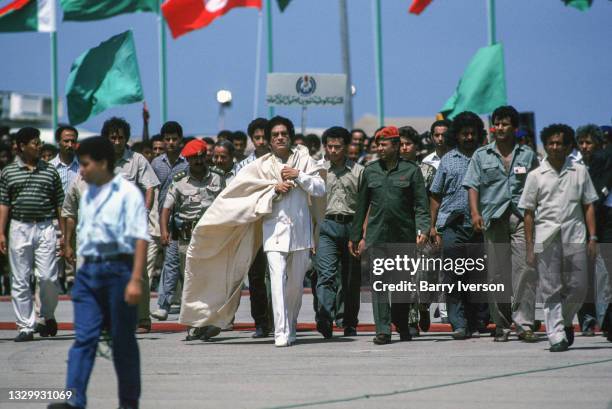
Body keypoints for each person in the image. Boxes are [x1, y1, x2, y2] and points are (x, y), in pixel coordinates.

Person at [178, 116, 326, 348]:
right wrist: (273, 190)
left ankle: (291, 323)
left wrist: (299, 176)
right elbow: (241, 196)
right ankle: (281, 332)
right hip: (273, 233)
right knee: (276, 280)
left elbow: (320, 188)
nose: (279, 137)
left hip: (300, 234)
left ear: (290, 136)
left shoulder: (304, 159)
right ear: (268, 141)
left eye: (283, 134)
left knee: (295, 286)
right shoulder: (259, 167)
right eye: (275, 135)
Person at [48, 136, 149, 409]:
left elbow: (141, 237)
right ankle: (73, 401)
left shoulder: (128, 193)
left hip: (119, 272)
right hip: (88, 272)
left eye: (85, 164)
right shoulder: (87, 191)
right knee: (84, 338)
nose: (80, 170)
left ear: (103, 163)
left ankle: (128, 404)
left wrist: (136, 280)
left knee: (123, 341)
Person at [462, 105, 539, 342]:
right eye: (497, 123)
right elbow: (473, 185)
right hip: (493, 218)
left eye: (505, 124)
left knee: (525, 270)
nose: (500, 128)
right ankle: (502, 326)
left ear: (514, 128)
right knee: (497, 274)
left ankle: (524, 323)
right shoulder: (482, 154)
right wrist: (475, 213)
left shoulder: (527, 155)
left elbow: (538, 187)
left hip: (521, 218)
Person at [519, 124, 598, 352]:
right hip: (546, 236)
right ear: (545, 145)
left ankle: (563, 321)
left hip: (576, 235)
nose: (555, 147)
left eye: (560, 143)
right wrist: (530, 246)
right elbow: (528, 213)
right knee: (550, 288)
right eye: (551, 143)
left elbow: (589, 204)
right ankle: (556, 336)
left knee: (579, 287)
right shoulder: (536, 175)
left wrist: (593, 237)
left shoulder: (579, 171)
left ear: (568, 146)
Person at [349, 126, 430, 345]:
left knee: (402, 286)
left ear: (396, 146)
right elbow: (361, 206)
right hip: (377, 237)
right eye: (378, 145)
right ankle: (383, 330)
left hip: (404, 237)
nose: (380, 149)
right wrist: (355, 236)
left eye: (384, 145)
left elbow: (422, 206)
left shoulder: (411, 171)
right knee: (380, 285)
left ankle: (402, 324)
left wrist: (423, 230)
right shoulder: (370, 171)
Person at [0, 127, 64, 342]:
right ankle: (25, 326)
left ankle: (46, 315)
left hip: (46, 226)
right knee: (19, 279)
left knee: (48, 277)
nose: (38, 146)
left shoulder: (50, 171)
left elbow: (59, 204)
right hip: (19, 227)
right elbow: (4, 204)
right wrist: (1, 232)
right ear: (21, 146)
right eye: (34, 143)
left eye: (39, 142)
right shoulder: (8, 172)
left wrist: (63, 234)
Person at [430, 112, 489, 340]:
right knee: (453, 275)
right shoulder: (448, 160)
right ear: (457, 135)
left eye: (473, 133)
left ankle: (478, 320)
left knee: (477, 276)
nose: (469, 137)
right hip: (452, 226)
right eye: (464, 133)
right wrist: (432, 226)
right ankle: (459, 323)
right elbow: (435, 195)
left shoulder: (485, 157)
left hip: (480, 226)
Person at [161, 139, 223, 340]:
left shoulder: (218, 178)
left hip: (212, 238)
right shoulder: (179, 180)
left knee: (211, 281)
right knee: (191, 282)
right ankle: (194, 325)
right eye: (193, 159)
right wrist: (164, 231)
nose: (198, 161)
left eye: (200, 157)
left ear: (206, 156)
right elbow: (167, 209)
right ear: (187, 160)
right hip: (187, 240)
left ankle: (211, 322)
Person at [314, 126, 364, 338]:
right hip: (327, 227)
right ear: (325, 147)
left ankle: (348, 321)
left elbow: (365, 204)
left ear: (346, 147)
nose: (333, 150)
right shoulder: (318, 172)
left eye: (338, 147)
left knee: (350, 279)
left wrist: (362, 234)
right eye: (330, 146)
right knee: (325, 275)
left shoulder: (359, 172)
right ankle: (325, 316)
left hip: (352, 227)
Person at [233, 118, 274, 338]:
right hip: (252, 227)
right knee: (256, 277)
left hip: (276, 225)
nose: (260, 141)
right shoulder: (242, 166)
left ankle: (279, 321)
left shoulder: (279, 162)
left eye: (263, 137)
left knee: (277, 276)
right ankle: (261, 322)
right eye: (256, 138)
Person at [150, 121, 188, 322]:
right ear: (163, 141)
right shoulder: (156, 164)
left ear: (180, 140)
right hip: (163, 219)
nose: (171, 142)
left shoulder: (187, 163)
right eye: (167, 139)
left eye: (175, 139)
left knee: (186, 264)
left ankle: (186, 303)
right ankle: (163, 305)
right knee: (170, 263)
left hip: (185, 219)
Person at [575, 125, 610, 336]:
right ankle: (586, 321)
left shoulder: (605, 163)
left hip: (602, 224)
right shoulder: (573, 165)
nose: (585, 147)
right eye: (582, 143)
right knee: (581, 278)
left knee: (603, 277)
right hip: (578, 227)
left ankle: (605, 321)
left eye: (589, 143)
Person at [51, 125, 80, 292]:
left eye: (73, 141)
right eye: (66, 141)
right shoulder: (49, 168)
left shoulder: (83, 167)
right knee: (51, 266)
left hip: (78, 220)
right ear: (58, 142)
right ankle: (46, 310)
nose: (70, 144)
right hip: (54, 222)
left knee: (78, 262)